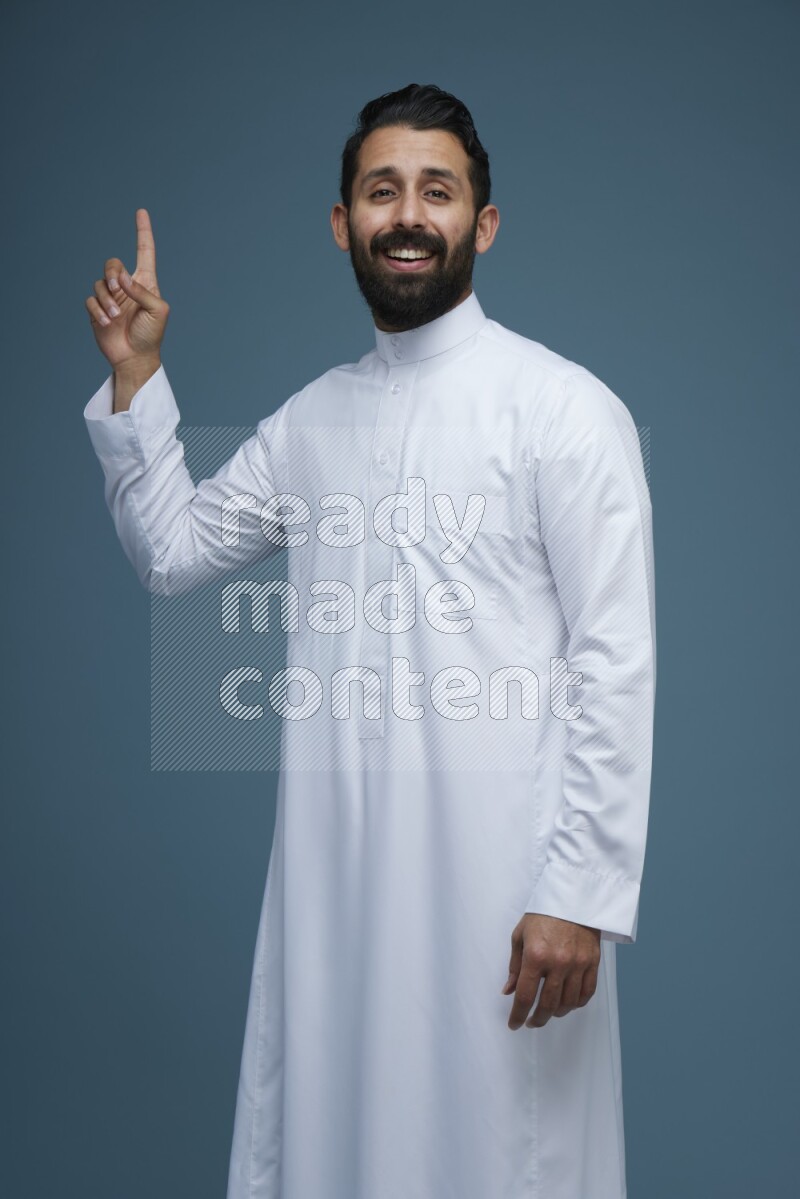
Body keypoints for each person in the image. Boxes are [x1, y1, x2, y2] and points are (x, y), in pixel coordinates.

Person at [83, 83, 656, 1199]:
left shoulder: (559, 407)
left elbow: (614, 656)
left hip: (507, 899)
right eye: (380, 190)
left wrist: (579, 891)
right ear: (341, 223)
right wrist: (137, 373)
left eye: (435, 191)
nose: (407, 213)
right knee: (337, 1143)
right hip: (337, 894)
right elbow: (172, 550)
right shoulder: (312, 420)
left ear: (480, 224)